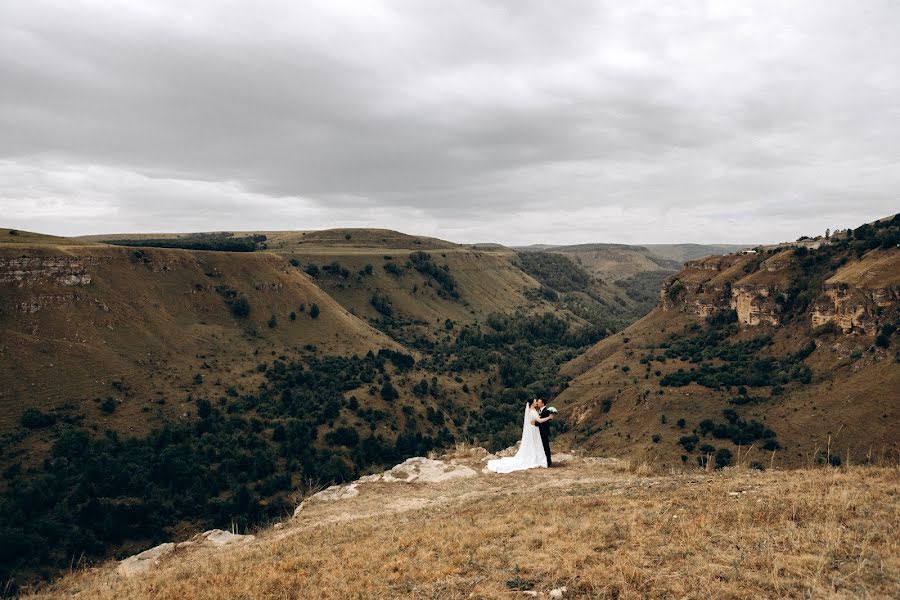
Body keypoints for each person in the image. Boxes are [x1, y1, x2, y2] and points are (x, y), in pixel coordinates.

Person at [486, 399, 553, 473]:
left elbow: (536, 420)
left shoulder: (532, 410)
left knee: (535, 444)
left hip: (534, 429)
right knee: (535, 444)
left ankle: (539, 459)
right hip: (533, 430)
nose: (536, 402)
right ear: (531, 404)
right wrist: (549, 417)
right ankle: (537, 459)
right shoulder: (533, 411)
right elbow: (540, 420)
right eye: (535, 402)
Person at [533, 398, 554, 467]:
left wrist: (534, 423)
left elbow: (543, 421)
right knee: (543, 446)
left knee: (545, 446)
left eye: (539, 402)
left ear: (543, 404)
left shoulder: (546, 411)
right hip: (541, 431)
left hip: (544, 431)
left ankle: (548, 461)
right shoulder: (541, 410)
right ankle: (545, 460)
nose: (538, 403)